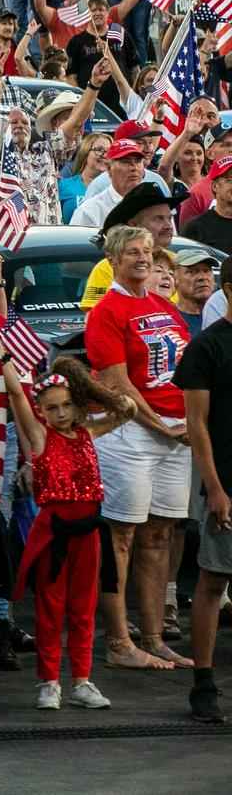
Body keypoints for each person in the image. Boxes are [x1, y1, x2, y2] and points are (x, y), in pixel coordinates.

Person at [84, 224, 194, 671]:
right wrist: (162, 426)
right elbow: (116, 383)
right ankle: (117, 642)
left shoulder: (163, 306)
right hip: (129, 433)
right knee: (121, 537)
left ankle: (152, 637)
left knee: (160, 534)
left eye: (147, 251)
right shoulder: (106, 311)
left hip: (176, 433)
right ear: (113, 260)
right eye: (132, 252)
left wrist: (184, 424)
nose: (143, 259)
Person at [2, 356, 134, 710]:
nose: (60, 414)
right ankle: (49, 681)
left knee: (82, 608)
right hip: (54, 534)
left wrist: (91, 388)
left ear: (77, 405)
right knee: (51, 607)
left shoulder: (88, 433)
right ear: (41, 411)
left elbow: (128, 409)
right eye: (52, 408)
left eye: (67, 405)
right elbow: (16, 396)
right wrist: (1, 359)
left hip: (88, 533)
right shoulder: (39, 438)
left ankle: (81, 680)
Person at [177, 261, 232, 724]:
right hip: (226, 484)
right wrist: (214, 488)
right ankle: (204, 683)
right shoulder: (206, 349)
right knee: (212, 582)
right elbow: (196, 425)